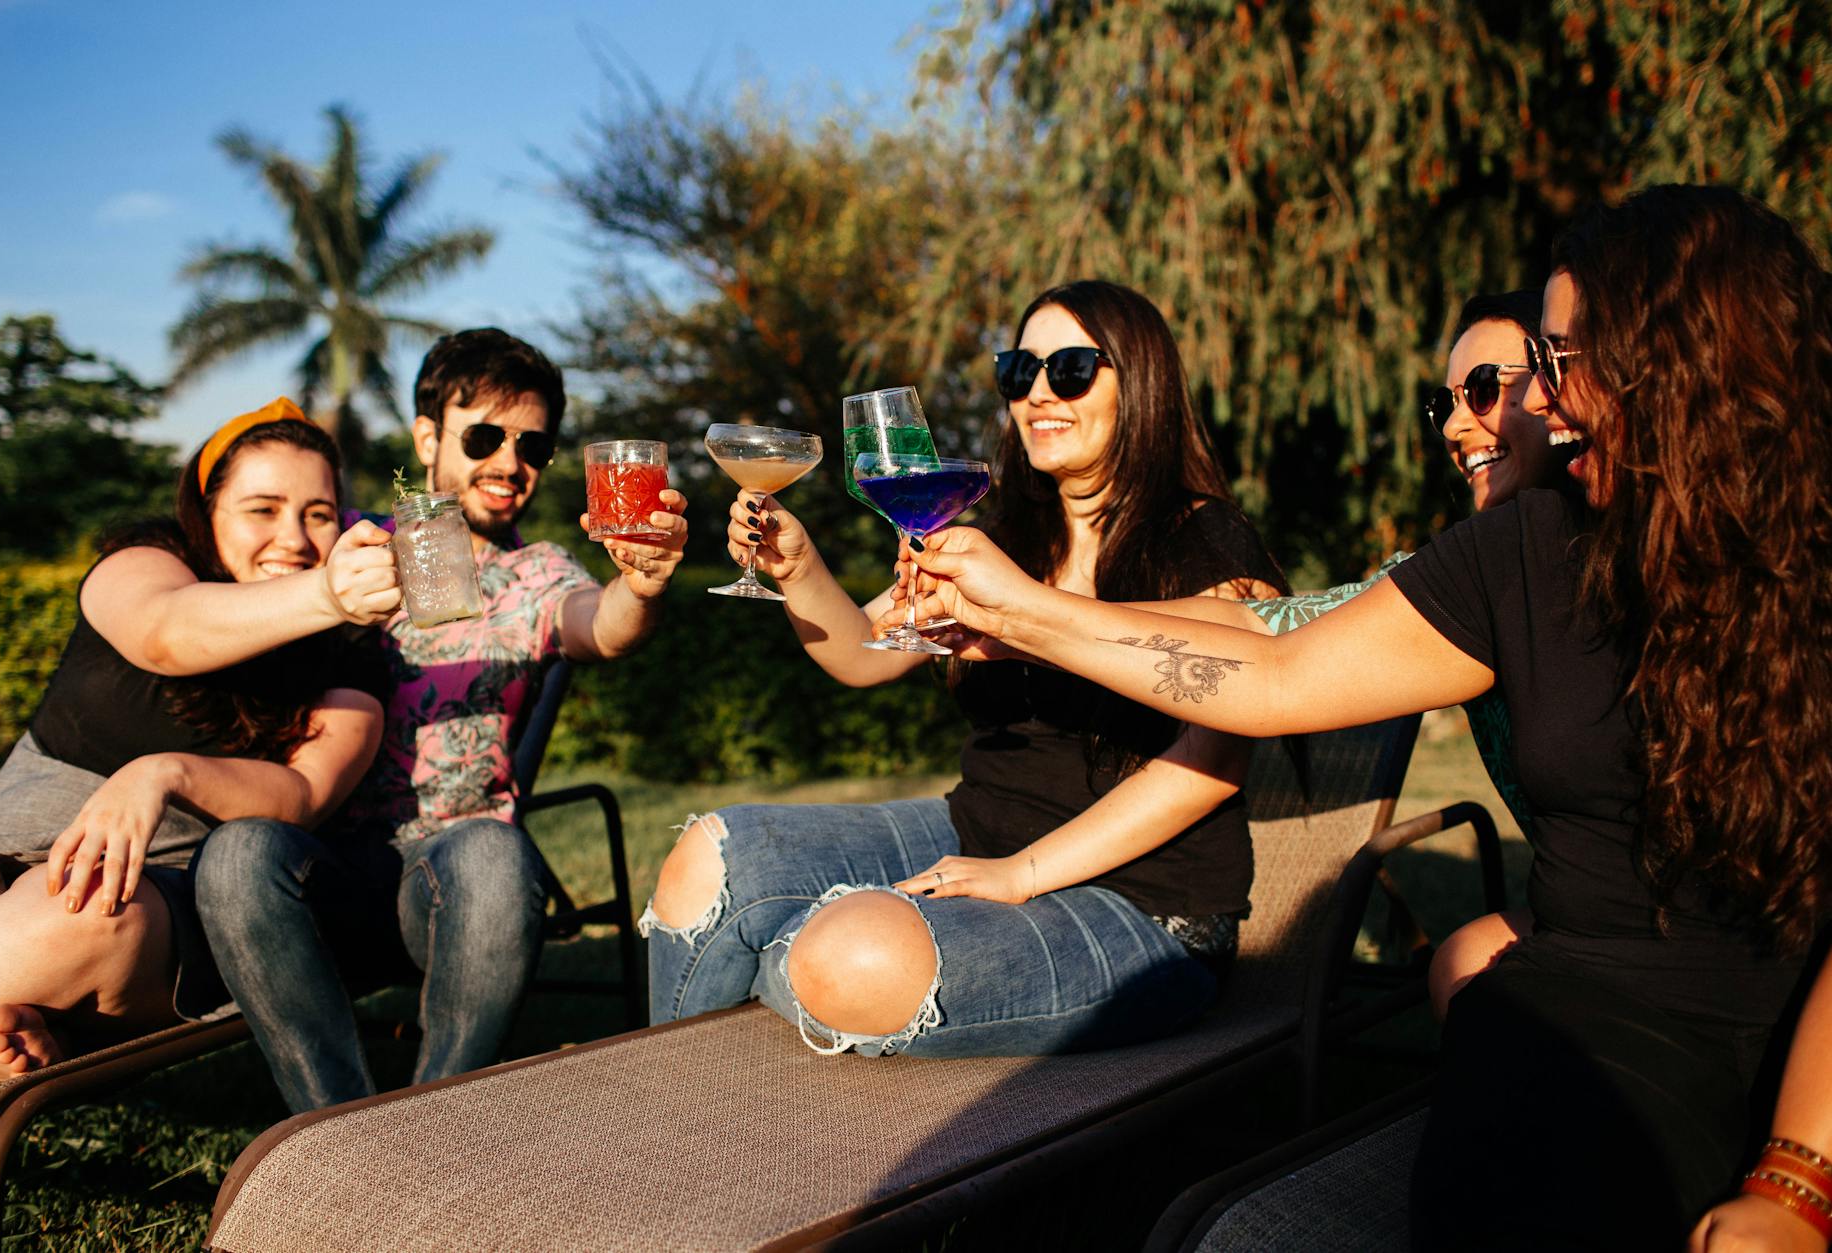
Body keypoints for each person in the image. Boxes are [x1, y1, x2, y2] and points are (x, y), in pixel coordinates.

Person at [905, 186, 1831, 1246]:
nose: (1542, 401)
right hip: (1587, 1022)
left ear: (1683, 359)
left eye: (1562, 361)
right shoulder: (1524, 551)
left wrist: (1796, 1178)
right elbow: (1271, 672)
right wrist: (1024, 607)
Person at [641, 279, 1285, 1057]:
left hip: (1143, 904)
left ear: (1141, 379)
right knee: (707, 862)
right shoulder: (1006, 534)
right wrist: (798, 565)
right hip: (975, 830)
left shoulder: (1207, 541)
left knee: (846, 955)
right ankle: (670, 1115)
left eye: (1072, 370)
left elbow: (1207, 767)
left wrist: (1022, 873)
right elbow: (861, 654)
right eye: (1020, 371)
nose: (1039, 393)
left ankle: (770, 990)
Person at [192, 328, 690, 1112]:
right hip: (318, 872)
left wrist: (646, 583)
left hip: (450, 881)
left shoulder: (535, 572)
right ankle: (333, 1130)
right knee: (235, 852)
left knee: (494, 851)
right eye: (485, 435)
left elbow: (601, 623)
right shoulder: (339, 544)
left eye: (533, 445)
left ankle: (432, 1125)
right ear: (428, 436)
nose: (509, 463)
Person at [1095, 289, 1564, 1018]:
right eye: (1444, 406)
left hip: (1687, 918)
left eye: (1483, 389)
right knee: (1466, 969)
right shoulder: (1464, 573)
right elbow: (1264, 627)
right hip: (1583, 914)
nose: (1457, 425)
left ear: (1564, 382)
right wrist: (1034, 618)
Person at [0, 400, 395, 1079]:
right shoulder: (145, 563)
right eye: (263, 508)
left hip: (149, 888)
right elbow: (165, 631)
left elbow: (304, 795)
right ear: (205, 511)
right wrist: (328, 592)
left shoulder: (351, 650)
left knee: (83, 904)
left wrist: (166, 773)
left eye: (318, 513)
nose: (295, 537)